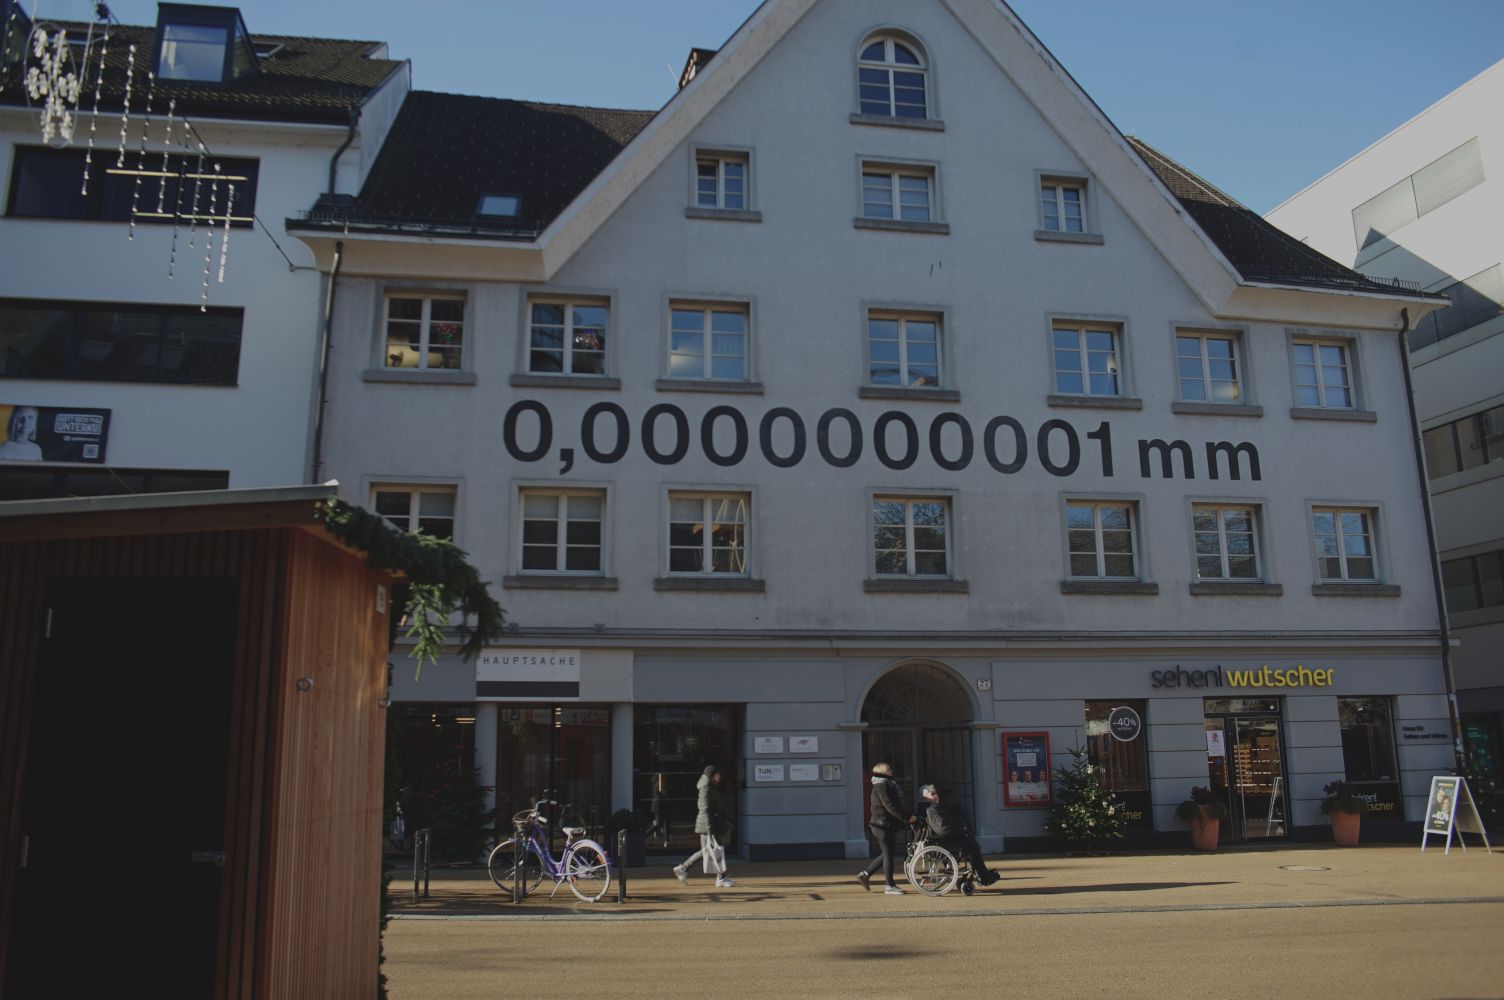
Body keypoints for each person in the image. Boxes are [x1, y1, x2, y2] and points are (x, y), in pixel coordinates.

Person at [919, 784, 999, 887]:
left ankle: (981, 874)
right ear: (925, 797)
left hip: (943, 840)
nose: (936, 796)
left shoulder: (932, 808)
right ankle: (982, 876)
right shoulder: (932, 810)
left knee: (970, 843)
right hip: (943, 842)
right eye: (932, 794)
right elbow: (943, 830)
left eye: (936, 793)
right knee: (971, 846)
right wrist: (959, 831)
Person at [856, 762, 913, 895]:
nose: (891, 770)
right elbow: (890, 806)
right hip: (881, 825)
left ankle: (865, 874)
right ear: (881, 771)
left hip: (883, 824)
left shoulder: (886, 784)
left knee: (888, 853)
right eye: (888, 769)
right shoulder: (882, 786)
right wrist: (907, 817)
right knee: (888, 855)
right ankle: (889, 886)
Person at [673, 766, 734, 888]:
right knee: (715, 849)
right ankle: (721, 878)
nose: (720, 776)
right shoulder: (706, 788)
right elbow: (705, 809)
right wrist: (710, 828)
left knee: (708, 850)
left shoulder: (709, 786)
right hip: (708, 824)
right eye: (718, 774)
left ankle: (684, 868)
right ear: (712, 775)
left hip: (709, 823)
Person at [645, 771, 672, 847]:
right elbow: (663, 792)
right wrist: (667, 798)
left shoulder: (655, 782)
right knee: (660, 823)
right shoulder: (660, 782)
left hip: (659, 804)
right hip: (660, 804)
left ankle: (667, 841)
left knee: (665, 822)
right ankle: (645, 835)